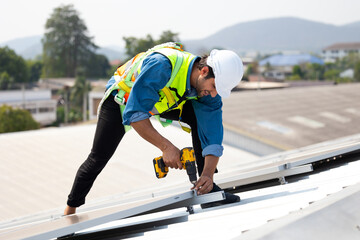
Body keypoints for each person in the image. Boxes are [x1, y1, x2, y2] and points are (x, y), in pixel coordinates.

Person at [64, 42, 243, 215]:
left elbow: (212, 133)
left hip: (163, 100)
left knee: (200, 118)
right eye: (213, 87)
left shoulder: (208, 90)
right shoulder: (162, 66)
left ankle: (207, 191)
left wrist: (208, 175)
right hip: (122, 101)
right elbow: (134, 113)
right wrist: (166, 147)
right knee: (98, 157)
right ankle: (70, 209)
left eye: (218, 91)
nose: (213, 94)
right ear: (204, 71)